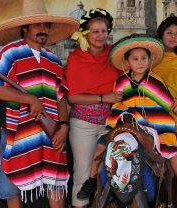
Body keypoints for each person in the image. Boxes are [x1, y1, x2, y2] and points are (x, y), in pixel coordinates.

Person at [0, 0, 79, 207]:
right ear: (25, 27)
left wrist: (63, 126)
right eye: (37, 25)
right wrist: (30, 99)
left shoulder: (53, 60)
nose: (42, 30)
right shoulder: (9, 53)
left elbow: (61, 97)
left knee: (56, 181)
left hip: (51, 131)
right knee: (12, 184)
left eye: (45, 25)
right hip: (19, 128)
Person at [76, 34, 177, 206]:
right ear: (127, 61)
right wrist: (125, 114)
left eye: (144, 58)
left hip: (154, 126)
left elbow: (166, 104)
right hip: (127, 124)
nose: (140, 62)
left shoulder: (155, 81)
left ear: (149, 60)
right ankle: (92, 180)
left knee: (172, 149)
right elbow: (119, 104)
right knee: (101, 144)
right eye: (135, 59)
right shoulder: (122, 81)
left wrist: (147, 119)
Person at [64, 8, 122, 208]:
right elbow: (72, 97)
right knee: (83, 173)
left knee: (113, 172)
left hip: (111, 124)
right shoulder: (76, 59)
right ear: (85, 34)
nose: (100, 35)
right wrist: (104, 97)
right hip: (84, 126)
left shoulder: (115, 55)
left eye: (104, 31)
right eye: (95, 31)